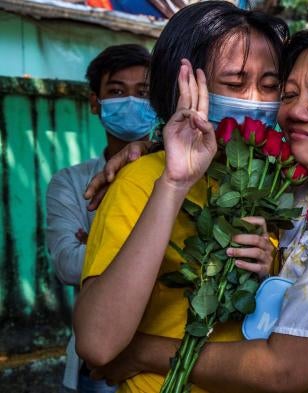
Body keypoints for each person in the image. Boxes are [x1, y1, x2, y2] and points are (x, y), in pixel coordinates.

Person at [83, 26, 308, 392]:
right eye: (288, 94)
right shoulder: (291, 188)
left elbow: (281, 370)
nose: (294, 111)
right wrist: (148, 150)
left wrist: (142, 350)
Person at [73, 3, 286, 392]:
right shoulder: (139, 181)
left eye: (270, 86)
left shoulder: (272, 182)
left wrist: (269, 274)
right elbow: (97, 345)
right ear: (184, 86)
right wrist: (173, 183)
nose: (255, 100)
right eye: (236, 84)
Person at [46, 43, 155, 393]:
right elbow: (66, 264)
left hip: (166, 348)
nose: (132, 102)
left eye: (144, 92)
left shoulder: (181, 175)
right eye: (117, 91)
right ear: (95, 102)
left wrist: (96, 243)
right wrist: (157, 249)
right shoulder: (72, 183)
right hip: (99, 363)